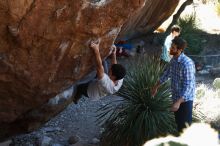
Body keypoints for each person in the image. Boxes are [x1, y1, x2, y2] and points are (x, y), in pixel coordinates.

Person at [152, 37, 196, 132]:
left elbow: (188, 86)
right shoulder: (173, 60)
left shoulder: (186, 64)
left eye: (173, 47)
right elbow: (166, 74)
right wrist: (156, 87)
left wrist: (178, 102)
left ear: (180, 50)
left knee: (185, 128)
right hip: (176, 98)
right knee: (179, 125)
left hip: (185, 100)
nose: (170, 49)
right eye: (171, 46)